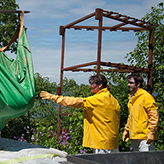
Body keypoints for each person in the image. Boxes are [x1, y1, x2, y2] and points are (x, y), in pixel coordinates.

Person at [40, 74, 120, 153]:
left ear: (99, 86)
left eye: (92, 84)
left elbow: (73, 102)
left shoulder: (97, 99)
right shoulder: (113, 99)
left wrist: (53, 97)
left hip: (101, 141)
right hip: (112, 140)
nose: (90, 86)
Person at [122, 73, 158, 151]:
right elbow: (131, 116)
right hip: (134, 135)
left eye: (131, 83)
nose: (128, 85)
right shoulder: (132, 97)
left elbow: (153, 115)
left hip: (145, 136)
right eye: (128, 83)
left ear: (138, 84)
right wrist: (126, 129)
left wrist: (151, 132)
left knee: (148, 160)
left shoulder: (146, 96)